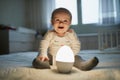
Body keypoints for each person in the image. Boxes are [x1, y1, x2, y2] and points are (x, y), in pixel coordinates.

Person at [32, 8, 99, 71]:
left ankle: (83, 65)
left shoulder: (71, 34)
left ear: (69, 23)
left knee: (77, 58)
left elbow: (77, 45)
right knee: (41, 58)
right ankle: (42, 65)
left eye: (65, 21)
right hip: (52, 56)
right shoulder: (50, 34)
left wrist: (71, 55)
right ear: (52, 22)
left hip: (68, 57)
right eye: (57, 20)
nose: (61, 23)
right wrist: (43, 54)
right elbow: (44, 44)